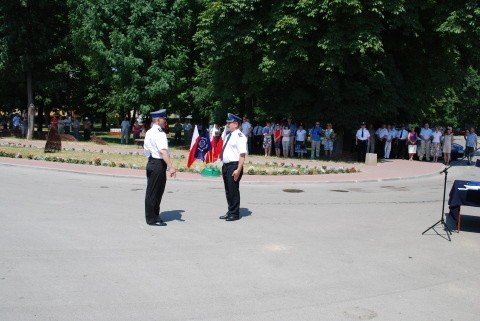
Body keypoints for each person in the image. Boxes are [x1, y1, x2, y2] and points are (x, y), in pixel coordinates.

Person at [144, 109, 177, 226]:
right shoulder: (160, 133)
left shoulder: (149, 132)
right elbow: (163, 151)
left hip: (152, 162)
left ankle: (152, 216)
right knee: (156, 192)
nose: (165, 121)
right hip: (158, 163)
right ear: (158, 120)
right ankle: (153, 218)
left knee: (152, 191)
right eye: (163, 119)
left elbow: (147, 150)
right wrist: (171, 167)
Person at [219, 113, 247, 222]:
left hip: (234, 166)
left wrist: (238, 169)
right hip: (226, 166)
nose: (227, 125)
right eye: (227, 123)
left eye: (229, 123)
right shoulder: (229, 135)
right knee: (228, 190)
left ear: (236, 124)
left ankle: (235, 213)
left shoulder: (240, 136)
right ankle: (230, 210)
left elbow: (242, 155)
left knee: (233, 190)